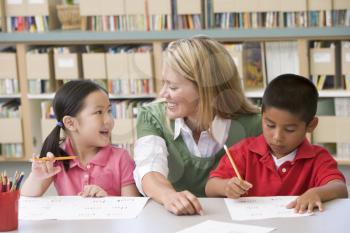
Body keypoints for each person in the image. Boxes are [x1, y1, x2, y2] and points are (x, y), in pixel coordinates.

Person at [133, 36, 262, 215]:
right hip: (171, 222)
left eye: (173, 87)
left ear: (204, 88)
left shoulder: (257, 125)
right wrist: (169, 196)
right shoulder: (151, 117)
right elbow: (149, 168)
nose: (163, 94)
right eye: (164, 83)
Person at [206, 74, 348, 213]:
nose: (277, 137)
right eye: (270, 125)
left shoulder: (318, 157)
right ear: (261, 117)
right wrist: (226, 186)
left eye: (289, 129)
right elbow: (210, 187)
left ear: (311, 125)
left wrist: (317, 193)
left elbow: (340, 188)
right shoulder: (243, 152)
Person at [21, 80, 139, 197]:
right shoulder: (57, 159)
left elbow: (134, 208)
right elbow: (26, 198)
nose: (109, 120)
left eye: (109, 111)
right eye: (99, 112)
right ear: (70, 123)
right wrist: (36, 177)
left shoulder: (121, 159)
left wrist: (106, 202)